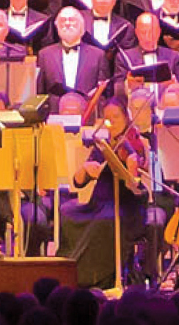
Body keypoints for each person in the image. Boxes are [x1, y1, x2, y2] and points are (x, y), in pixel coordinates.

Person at [60, 91, 150, 288]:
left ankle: (99, 279)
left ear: (126, 117)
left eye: (116, 117)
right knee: (67, 212)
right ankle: (70, 270)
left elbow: (135, 184)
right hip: (100, 202)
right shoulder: (102, 145)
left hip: (126, 205)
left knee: (105, 222)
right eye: (107, 118)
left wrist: (132, 168)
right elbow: (78, 181)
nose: (112, 122)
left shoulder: (135, 144)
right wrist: (85, 170)